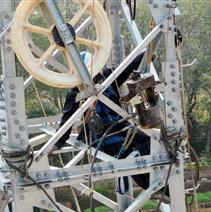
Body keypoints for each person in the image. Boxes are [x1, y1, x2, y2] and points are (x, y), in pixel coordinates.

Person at [54, 52, 166, 201]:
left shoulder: (108, 78)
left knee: (149, 143)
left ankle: (163, 184)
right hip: (103, 137)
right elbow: (66, 123)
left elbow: (127, 67)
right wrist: (55, 145)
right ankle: (154, 188)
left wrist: (147, 53)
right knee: (129, 158)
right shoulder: (75, 93)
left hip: (121, 126)